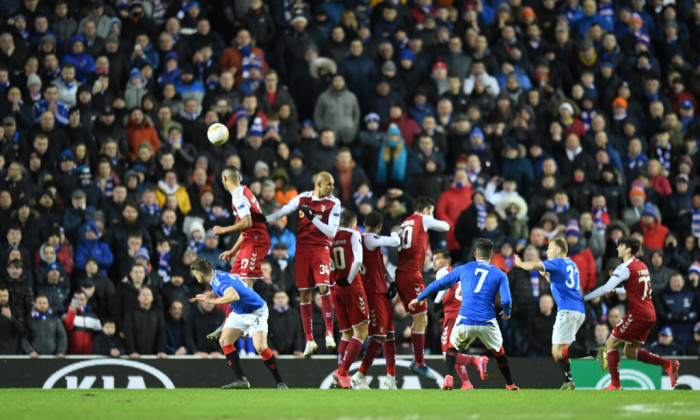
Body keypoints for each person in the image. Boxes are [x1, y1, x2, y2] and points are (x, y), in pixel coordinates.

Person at [409, 238, 519, 391]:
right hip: (487, 322)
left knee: (452, 348)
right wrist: (506, 312)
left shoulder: (464, 268)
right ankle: (510, 384)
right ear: (492, 255)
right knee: (499, 352)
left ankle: (448, 378)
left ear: (475, 254)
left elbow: (439, 284)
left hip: (464, 320)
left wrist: (419, 297)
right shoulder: (500, 274)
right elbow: (507, 300)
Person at [584, 238, 680, 390]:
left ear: (628, 249)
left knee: (610, 343)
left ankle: (615, 384)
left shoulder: (624, 268)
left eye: (620, 246)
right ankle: (668, 364)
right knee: (629, 352)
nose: (617, 249)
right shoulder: (642, 265)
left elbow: (605, 288)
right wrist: (618, 290)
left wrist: (585, 297)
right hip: (649, 313)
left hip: (637, 314)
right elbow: (642, 290)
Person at [265, 172, 341, 357]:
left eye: (333, 184)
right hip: (302, 252)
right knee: (304, 294)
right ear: (319, 183)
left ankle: (329, 333)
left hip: (320, 249)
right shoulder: (302, 198)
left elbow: (331, 232)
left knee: (324, 287)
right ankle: (309, 339)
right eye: (329, 184)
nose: (332, 187)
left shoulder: (334, 203)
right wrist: (262, 220)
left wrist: (313, 217)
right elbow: (282, 212)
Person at [514, 237, 605, 389]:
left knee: (556, 352)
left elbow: (534, 265)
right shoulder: (572, 264)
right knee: (564, 349)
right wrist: (547, 276)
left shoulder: (558, 262)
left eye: (549, 248)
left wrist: (519, 264)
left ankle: (596, 353)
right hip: (578, 310)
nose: (547, 251)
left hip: (567, 311)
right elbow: (561, 284)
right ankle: (569, 380)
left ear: (559, 250)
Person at [189, 258, 287, 389]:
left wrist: (209, 300)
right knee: (225, 341)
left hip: (256, 310)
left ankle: (280, 382)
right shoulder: (216, 274)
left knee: (260, 347)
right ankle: (241, 380)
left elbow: (234, 296)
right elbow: (224, 288)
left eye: (195, 274)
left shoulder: (219, 282)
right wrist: (209, 295)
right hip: (239, 311)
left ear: (200, 275)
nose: (195, 277)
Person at [396, 196, 450, 381]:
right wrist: (436, 218)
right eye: (432, 211)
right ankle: (419, 363)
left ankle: (417, 360)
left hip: (401, 274)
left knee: (418, 319)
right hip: (412, 275)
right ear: (426, 210)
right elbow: (446, 227)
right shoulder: (423, 218)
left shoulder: (405, 222)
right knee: (421, 319)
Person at [351, 211, 400, 390]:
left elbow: (378, 267)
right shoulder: (369, 239)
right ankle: (360, 374)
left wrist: (390, 281)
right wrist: (395, 231)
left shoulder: (364, 242)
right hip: (372, 292)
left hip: (381, 290)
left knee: (389, 336)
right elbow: (396, 241)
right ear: (380, 226)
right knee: (379, 336)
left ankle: (391, 377)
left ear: (365, 222)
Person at [431, 249, 488, 389]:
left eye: (437, 258)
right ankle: (466, 383)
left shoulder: (443, 271)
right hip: (466, 314)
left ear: (446, 261)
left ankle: (477, 360)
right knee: (455, 351)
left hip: (453, 315)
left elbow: (445, 283)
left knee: (447, 354)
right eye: (433, 258)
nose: (434, 262)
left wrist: (437, 301)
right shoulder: (460, 273)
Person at [328, 210, 369, 389]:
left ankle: (340, 376)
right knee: (361, 332)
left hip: (335, 288)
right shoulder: (353, 233)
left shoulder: (330, 237)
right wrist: (349, 279)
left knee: (346, 333)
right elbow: (358, 261)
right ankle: (343, 373)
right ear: (353, 223)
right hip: (351, 287)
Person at [214, 166, 271, 285]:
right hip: (250, 240)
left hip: (256, 242)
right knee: (235, 282)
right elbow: (247, 229)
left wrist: (223, 229)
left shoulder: (238, 197)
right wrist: (233, 251)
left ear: (224, 178)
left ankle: (255, 304)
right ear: (239, 178)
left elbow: (247, 223)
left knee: (246, 283)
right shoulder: (244, 190)